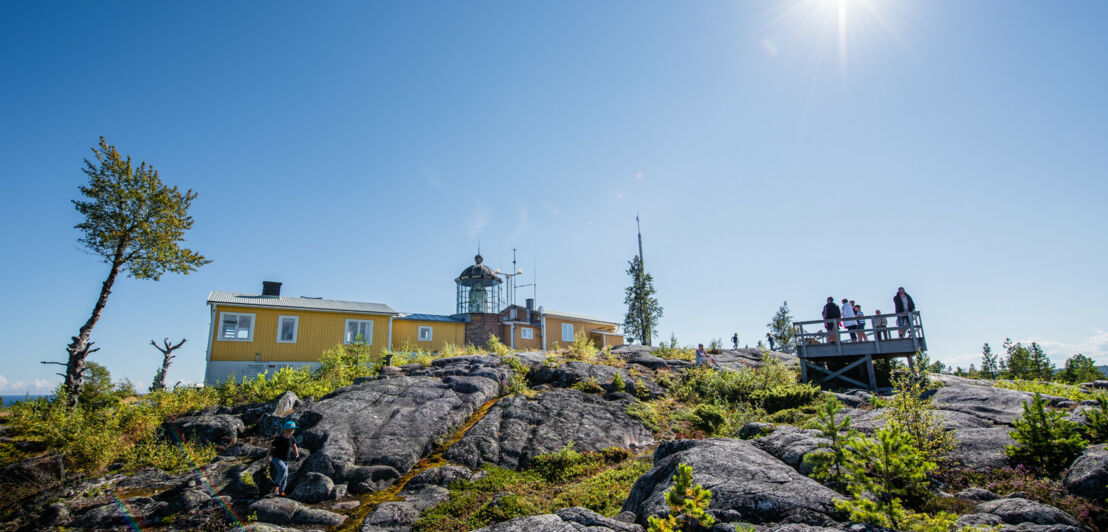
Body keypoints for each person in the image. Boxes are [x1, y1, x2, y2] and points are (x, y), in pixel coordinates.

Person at [266, 420, 300, 496]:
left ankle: (281, 492)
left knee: (285, 476)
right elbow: (270, 446)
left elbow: (295, 447)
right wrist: (267, 457)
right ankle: (276, 486)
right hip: (277, 458)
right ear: (285, 430)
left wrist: (297, 455)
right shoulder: (279, 438)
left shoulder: (292, 438)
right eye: (290, 430)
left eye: (292, 430)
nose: (291, 431)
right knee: (283, 470)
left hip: (285, 460)